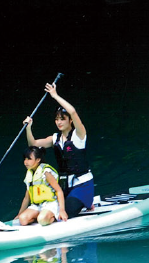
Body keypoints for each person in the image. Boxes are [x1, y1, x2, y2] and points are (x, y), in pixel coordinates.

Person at [23, 81, 95, 218]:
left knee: (66, 211)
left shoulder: (79, 135)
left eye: (63, 119)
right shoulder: (54, 138)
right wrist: (28, 128)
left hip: (82, 185)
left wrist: (55, 95)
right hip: (64, 186)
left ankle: (87, 201)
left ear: (70, 121)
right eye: (57, 119)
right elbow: (33, 144)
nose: (59, 122)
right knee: (52, 209)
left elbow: (72, 111)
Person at [16, 146, 68, 226]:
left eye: (29, 159)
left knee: (42, 220)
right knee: (22, 220)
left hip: (50, 204)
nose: (26, 162)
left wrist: (62, 210)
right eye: (25, 159)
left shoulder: (46, 172)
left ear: (38, 160)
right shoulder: (29, 174)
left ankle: (52, 217)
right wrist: (19, 214)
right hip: (37, 205)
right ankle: (40, 216)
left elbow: (59, 190)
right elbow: (27, 197)